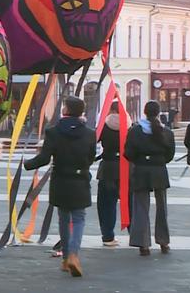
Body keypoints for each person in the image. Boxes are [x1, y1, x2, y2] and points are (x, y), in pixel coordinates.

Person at [24, 96, 95, 277]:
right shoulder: (89, 133)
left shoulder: (53, 131)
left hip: (61, 179)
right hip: (80, 179)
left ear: (66, 110)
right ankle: (73, 254)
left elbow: (44, 158)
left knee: (64, 218)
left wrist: (26, 164)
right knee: (79, 218)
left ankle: (65, 259)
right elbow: (91, 157)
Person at [125, 101, 175, 256]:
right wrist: (158, 160)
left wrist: (140, 160)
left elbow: (128, 153)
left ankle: (143, 244)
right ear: (158, 113)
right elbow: (170, 155)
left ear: (144, 112)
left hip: (141, 170)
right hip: (159, 170)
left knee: (140, 207)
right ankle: (163, 241)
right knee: (162, 207)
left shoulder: (135, 131)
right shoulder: (166, 131)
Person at [96, 102, 122, 247]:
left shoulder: (104, 126)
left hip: (107, 167)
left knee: (106, 204)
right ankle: (135, 235)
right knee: (129, 203)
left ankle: (108, 236)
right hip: (125, 168)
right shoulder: (129, 125)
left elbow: (94, 139)